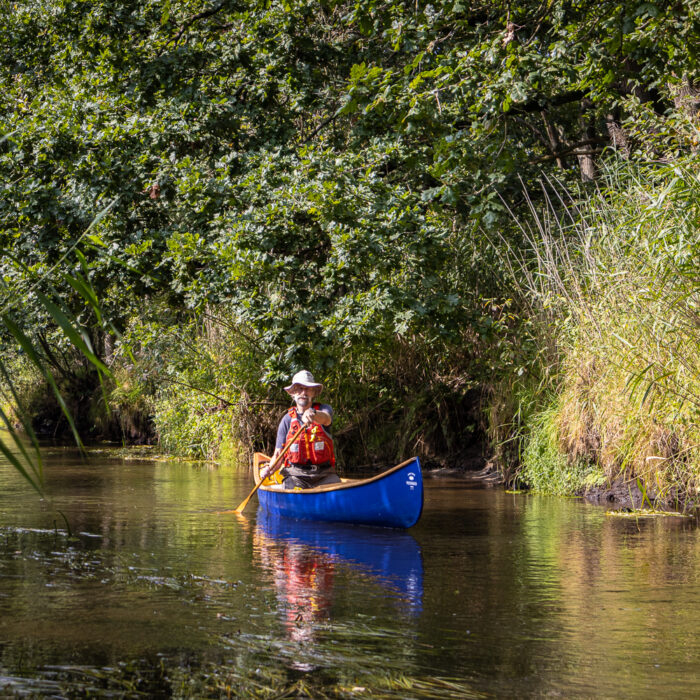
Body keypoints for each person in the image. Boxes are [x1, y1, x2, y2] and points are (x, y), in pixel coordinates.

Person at [265, 370, 341, 490]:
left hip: (324, 475)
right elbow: (278, 455)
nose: (303, 393)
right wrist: (270, 469)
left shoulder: (324, 409)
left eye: (308, 389)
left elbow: (326, 419)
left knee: (336, 487)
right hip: (296, 476)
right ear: (293, 393)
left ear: (314, 393)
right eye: (299, 389)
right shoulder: (287, 420)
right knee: (289, 485)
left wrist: (313, 413)